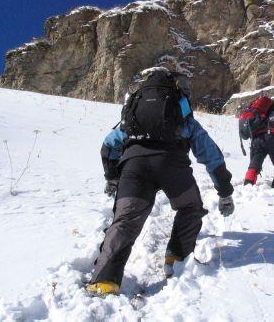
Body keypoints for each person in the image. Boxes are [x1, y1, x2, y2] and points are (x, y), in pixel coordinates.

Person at [87, 67, 235, 297]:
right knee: (190, 207)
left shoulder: (134, 113)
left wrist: (113, 178)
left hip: (134, 166)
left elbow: (108, 146)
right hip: (172, 165)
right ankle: (175, 258)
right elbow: (210, 155)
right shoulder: (182, 111)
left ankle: (104, 281)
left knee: (125, 221)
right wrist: (224, 190)